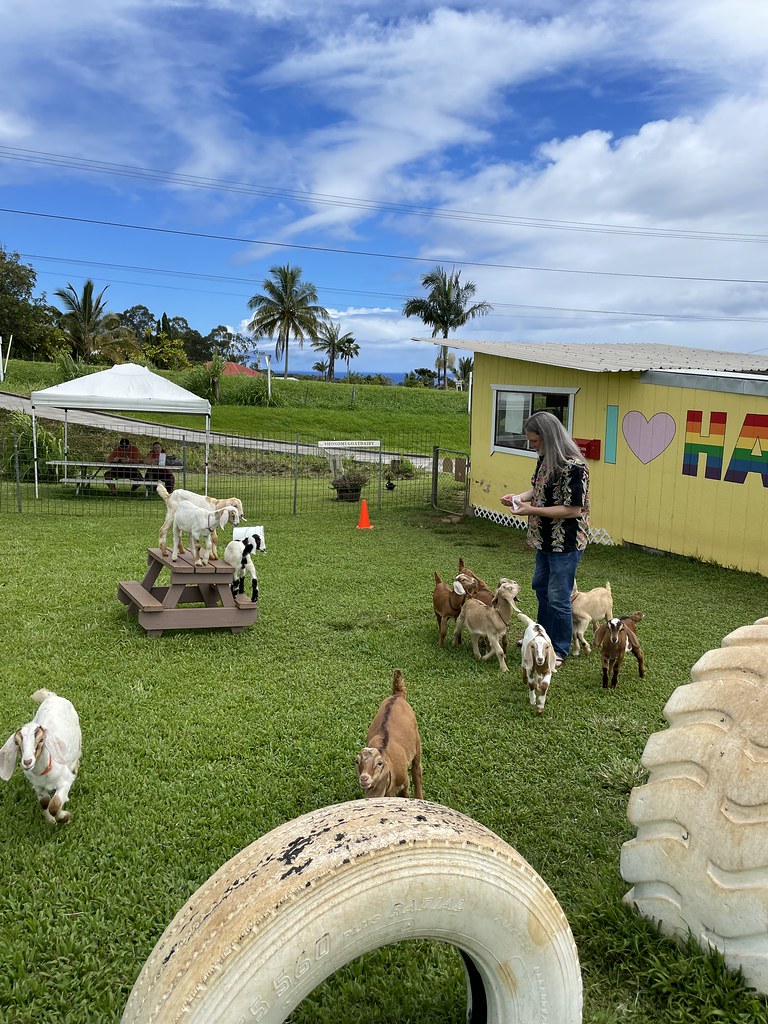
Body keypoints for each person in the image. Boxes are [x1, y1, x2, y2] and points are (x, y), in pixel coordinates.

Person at [501, 411, 590, 669]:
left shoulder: (575, 467)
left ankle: (558, 649)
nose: (532, 446)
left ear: (548, 437)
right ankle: (540, 636)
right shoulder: (545, 459)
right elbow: (538, 490)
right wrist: (519, 497)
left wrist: (532, 511)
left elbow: (573, 509)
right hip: (545, 539)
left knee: (559, 595)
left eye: (535, 441)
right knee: (540, 586)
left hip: (566, 542)